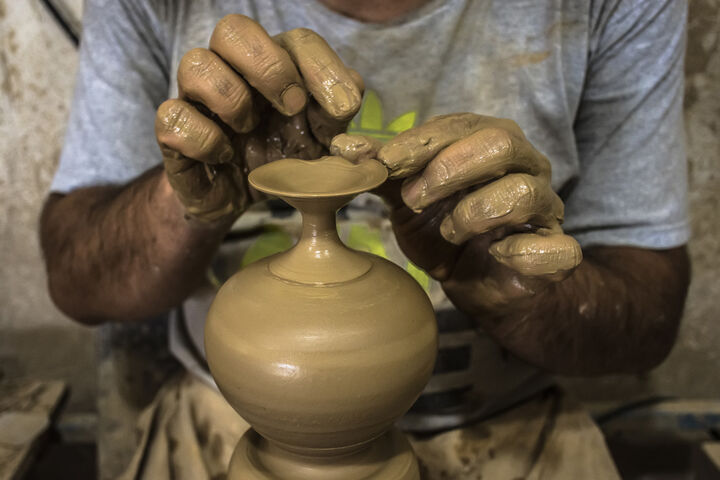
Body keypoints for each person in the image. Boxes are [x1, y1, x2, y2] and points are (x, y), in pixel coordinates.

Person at [40, 0, 691, 478]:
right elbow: (76, 279)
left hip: (509, 432)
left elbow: (651, 317)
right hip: (220, 424)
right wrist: (188, 199)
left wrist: (512, 289)